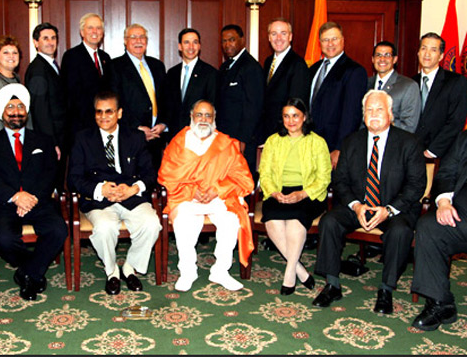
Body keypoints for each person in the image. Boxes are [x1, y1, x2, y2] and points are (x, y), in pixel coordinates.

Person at [313, 90, 426, 314]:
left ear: (391, 114)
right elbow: (340, 181)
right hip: (360, 206)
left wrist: (389, 209)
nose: (374, 114)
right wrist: (355, 205)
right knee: (329, 221)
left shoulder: (409, 143)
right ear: (363, 114)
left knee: (401, 232)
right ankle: (332, 284)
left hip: (394, 209)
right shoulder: (351, 141)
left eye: (379, 109)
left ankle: (386, 289)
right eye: (369, 110)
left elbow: (416, 185)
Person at [0, 84, 67, 301]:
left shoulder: (43, 140)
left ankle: (27, 273)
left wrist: (33, 197)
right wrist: (16, 196)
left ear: (26, 111)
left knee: (58, 230)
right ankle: (33, 269)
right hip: (4, 203)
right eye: (11, 107)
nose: (16, 111)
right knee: (5, 240)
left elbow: (51, 173)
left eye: (20, 107)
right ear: (2, 113)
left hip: (38, 200)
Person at [67, 91, 161, 295]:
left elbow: (150, 174)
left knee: (152, 223)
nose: (103, 117)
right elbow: (73, 178)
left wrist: (134, 188)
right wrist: (99, 189)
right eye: (99, 112)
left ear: (119, 113)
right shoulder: (83, 138)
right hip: (99, 200)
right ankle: (112, 273)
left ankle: (130, 268)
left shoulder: (135, 137)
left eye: (109, 111)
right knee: (104, 227)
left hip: (131, 196)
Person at [158, 100, 254, 292]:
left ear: (214, 118)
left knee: (231, 220)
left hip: (219, 196)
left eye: (208, 115)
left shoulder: (226, 144)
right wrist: (192, 191)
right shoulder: (178, 142)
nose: (203, 119)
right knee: (184, 222)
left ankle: (220, 271)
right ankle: (187, 271)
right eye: (199, 115)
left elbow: (243, 177)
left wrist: (217, 189)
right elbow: (166, 175)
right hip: (186, 196)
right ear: (191, 117)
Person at [259, 98, 331, 294]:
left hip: (308, 192)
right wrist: (274, 192)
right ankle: (300, 269)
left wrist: (302, 194)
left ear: (304, 117)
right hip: (278, 190)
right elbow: (264, 173)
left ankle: (290, 273)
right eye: (286, 116)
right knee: (272, 220)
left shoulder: (317, 142)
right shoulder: (273, 141)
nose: (291, 121)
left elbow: (324, 178)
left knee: (294, 221)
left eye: (295, 116)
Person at [410, 130, 467, 331]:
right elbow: (447, 172)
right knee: (429, 226)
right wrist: (443, 202)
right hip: (462, 217)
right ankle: (439, 302)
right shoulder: (464, 138)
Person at [309, 21, 367, 169]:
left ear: (343, 41)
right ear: (320, 43)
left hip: (333, 147)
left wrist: (340, 147)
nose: (330, 44)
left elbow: (352, 114)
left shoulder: (354, 71)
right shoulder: (313, 69)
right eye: (325, 40)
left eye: (334, 39)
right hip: (310, 145)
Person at [110, 23, 167, 169]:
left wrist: (163, 124)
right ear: (125, 41)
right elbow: (114, 103)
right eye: (133, 37)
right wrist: (136, 128)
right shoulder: (115, 66)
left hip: (156, 138)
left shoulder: (158, 66)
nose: (138, 41)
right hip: (129, 137)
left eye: (142, 37)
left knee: (152, 183)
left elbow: (167, 99)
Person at [216, 24, 264, 178]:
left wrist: (243, 138)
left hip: (241, 140)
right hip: (225, 137)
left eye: (232, 40)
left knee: (241, 180)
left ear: (242, 41)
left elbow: (253, 106)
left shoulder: (251, 67)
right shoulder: (225, 67)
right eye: (224, 41)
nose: (227, 44)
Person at [412, 32, 467, 160]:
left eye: (433, 50)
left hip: (443, 155)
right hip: (413, 153)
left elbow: (456, 122)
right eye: (424, 48)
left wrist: (432, 151)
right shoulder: (410, 83)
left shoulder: (456, 81)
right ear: (418, 52)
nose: (427, 54)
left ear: (441, 56)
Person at [60, 13, 112, 146]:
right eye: (90, 28)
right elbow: (72, 95)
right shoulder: (72, 56)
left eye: (98, 28)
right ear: (82, 32)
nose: (95, 32)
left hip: (104, 125)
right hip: (81, 127)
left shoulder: (105, 57)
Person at [261, 19, 310, 141]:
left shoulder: (298, 64)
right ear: (269, 38)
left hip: (286, 133)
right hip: (268, 132)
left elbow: (297, 104)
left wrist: (284, 133)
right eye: (274, 34)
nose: (278, 38)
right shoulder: (268, 62)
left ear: (290, 37)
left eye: (283, 33)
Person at [163, 28, 217, 137]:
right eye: (186, 42)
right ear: (180, 46)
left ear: (199, 46)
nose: (191, 47)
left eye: (195, 42)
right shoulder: (172, 73)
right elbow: (168, 105)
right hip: (175, 136)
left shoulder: (210, 73)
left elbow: (213, 106)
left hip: (200, 135)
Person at [24, 22, 65, 160]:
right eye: (45, 38)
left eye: (53, 38)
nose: (50, 42)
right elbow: (40, 109)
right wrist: (51, 142)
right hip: (49, 140)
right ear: (36, 43)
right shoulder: (38, 69)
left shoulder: (51, 65)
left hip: (59, 136)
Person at [367, 41, 421, 133]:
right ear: (373, 59)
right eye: (378, 55)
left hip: (395, 143)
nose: (382, 59)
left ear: (395, 59)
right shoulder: (365, 83)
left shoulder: (409, 86)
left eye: (387, 55)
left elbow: (409, 126)